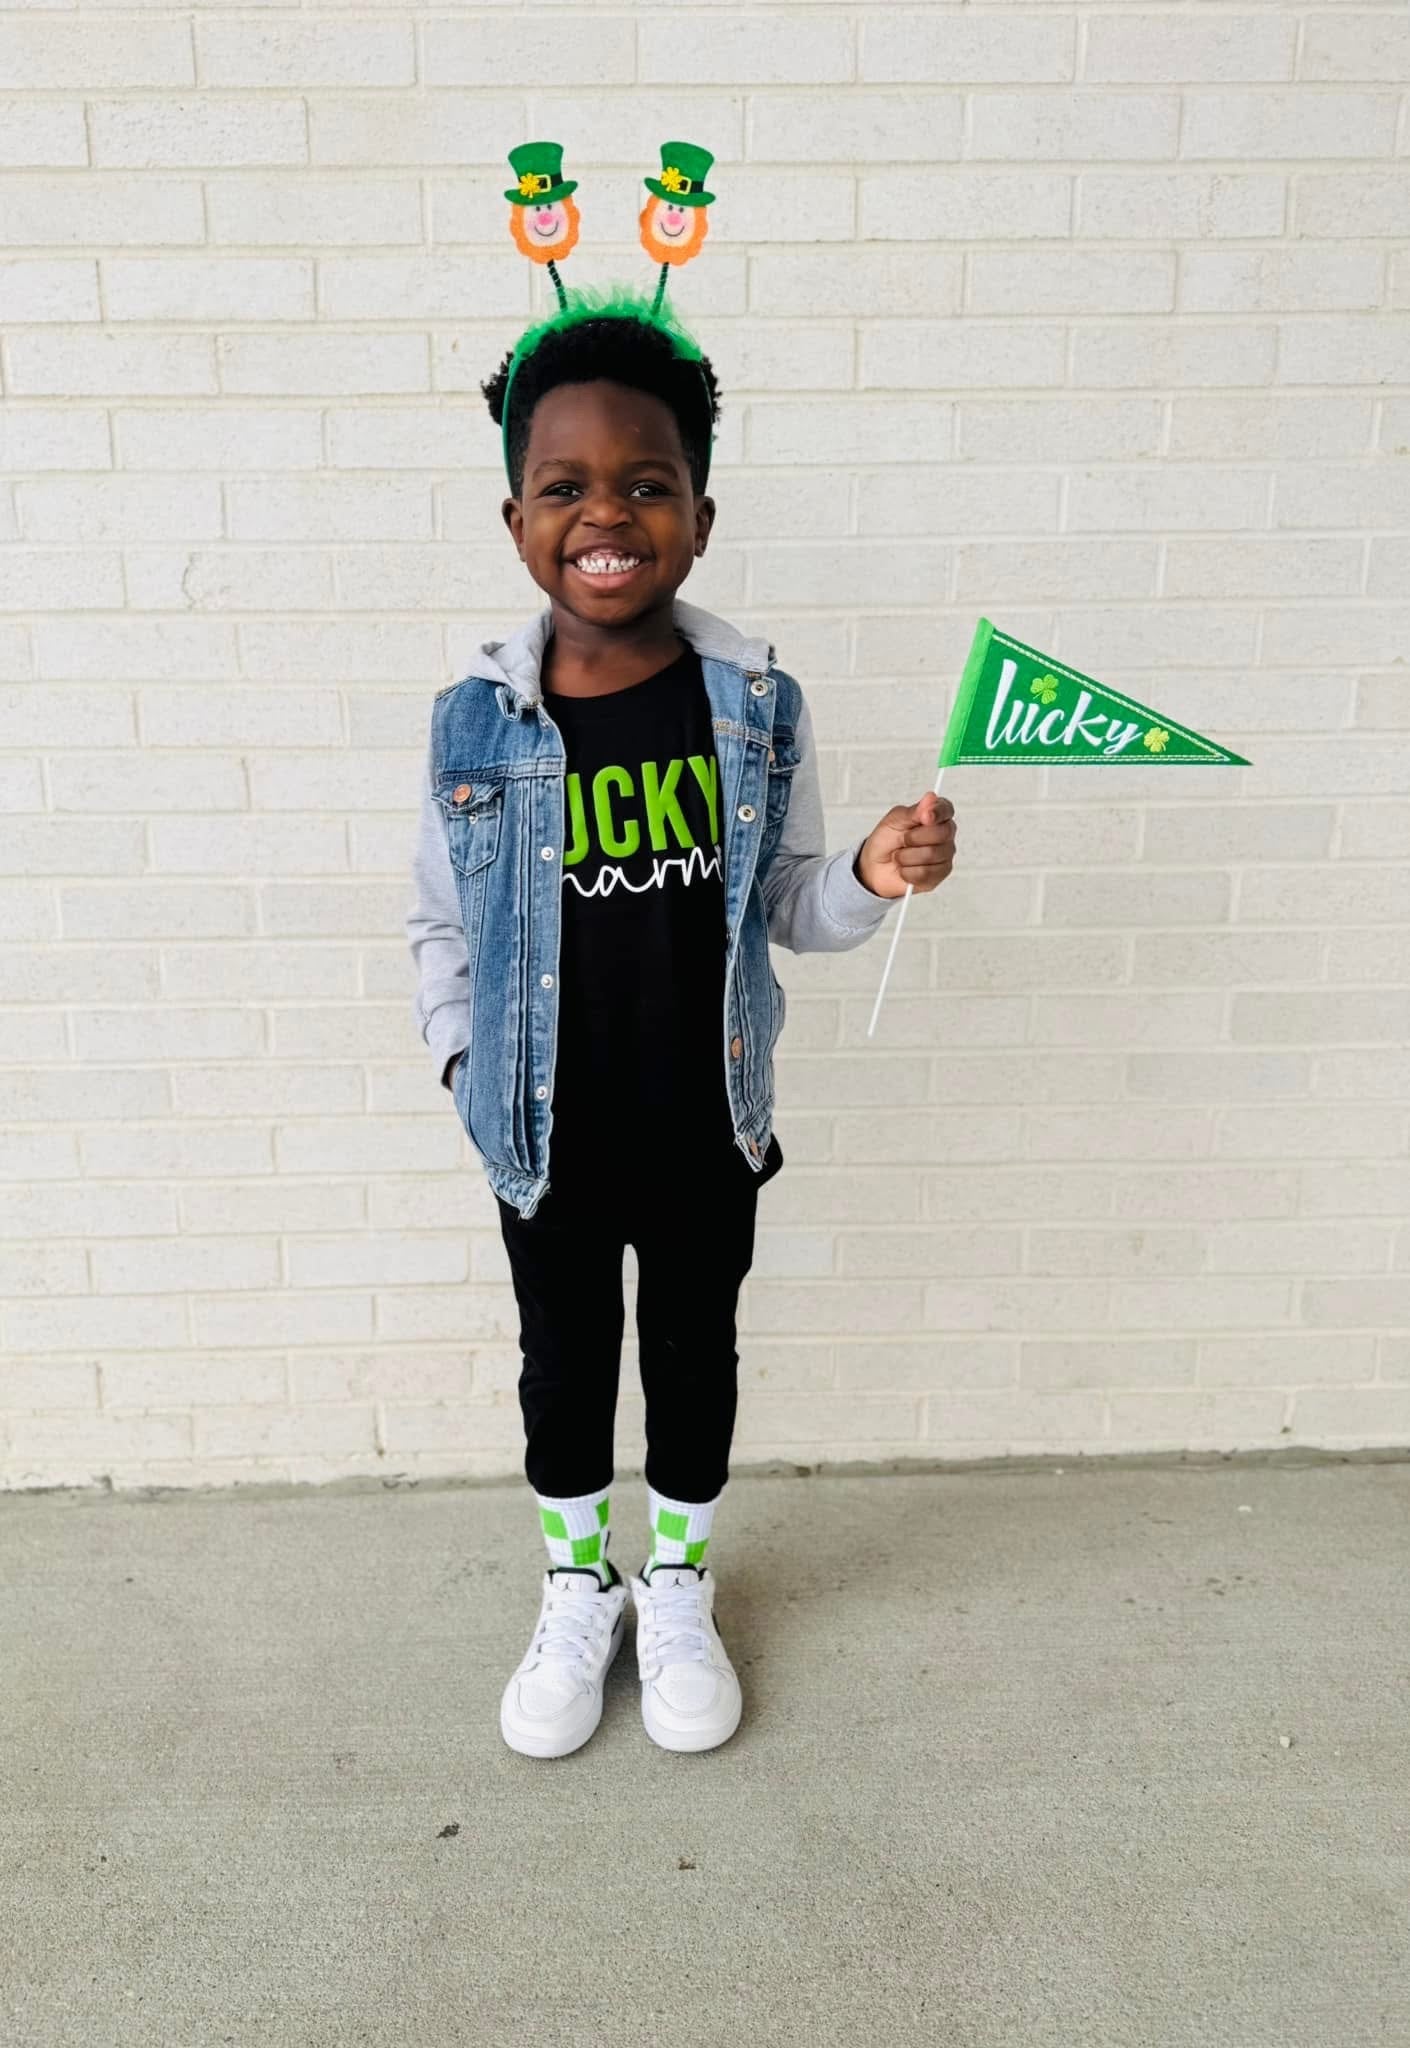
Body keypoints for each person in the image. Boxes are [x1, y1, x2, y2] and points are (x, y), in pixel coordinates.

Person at [405, 293, 956, 1760]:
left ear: (699, 520)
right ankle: (577, 1586)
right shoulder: (474, 719)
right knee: (564, 1363)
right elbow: (441, 927)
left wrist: (869, 874)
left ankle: (680, 1586)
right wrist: (464, 1065)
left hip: (706, 1121)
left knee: (695, 1358)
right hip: (546, 1129)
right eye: (564, 486)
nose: (607, 513)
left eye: (646, 483)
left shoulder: (754, 707)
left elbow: (787, 904)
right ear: (516, 520)